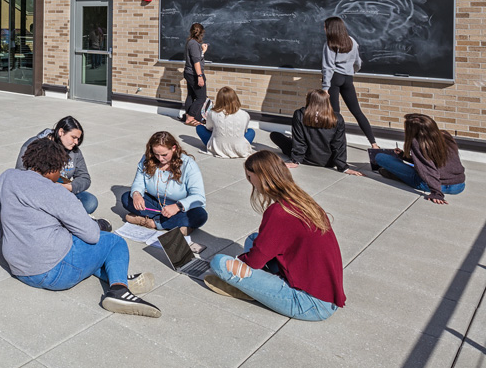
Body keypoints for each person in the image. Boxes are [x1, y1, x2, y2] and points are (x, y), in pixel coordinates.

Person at [0, 139, 161, 317]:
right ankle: (118, 291)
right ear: (54, 168)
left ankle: (115, 275)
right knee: (113, 242)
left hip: (18, 268)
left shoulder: (6, 178)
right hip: (53, 273)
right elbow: (91, 236)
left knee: (89, 250)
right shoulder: (57, 192)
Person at [204, 151, 345, 322]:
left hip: (309, 303)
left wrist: (238, 263)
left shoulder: (279, 212)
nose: (250, 182)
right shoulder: (302, 200)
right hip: (323, 294)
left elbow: (254, 261)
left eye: (250, 177)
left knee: (220, 263)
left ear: (262, 177)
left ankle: (251, 288)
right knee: (253, 239)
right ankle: (257, 286)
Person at [16, 117, 111, 231]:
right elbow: (19, 176)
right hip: (39, 195)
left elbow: (85, 178)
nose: (76, 142)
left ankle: (63, 219)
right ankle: (75, 221)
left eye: (78, 139)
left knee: (90, 201)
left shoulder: (75, 151)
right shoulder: (34, 146)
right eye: (73, 137)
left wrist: (69, 187)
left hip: (64, 193)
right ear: (61, 132)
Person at [121, 132, 208, 244]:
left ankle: (153, 223)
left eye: (164, 155)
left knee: (200, 215)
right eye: (156, 154)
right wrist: (137, 194)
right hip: (157, 204)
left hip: (179, 208)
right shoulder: (147, 159)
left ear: (174, 148)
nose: (160, 159)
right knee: (126, 198)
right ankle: (175, 225)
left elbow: (199, 197)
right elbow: (138, 182)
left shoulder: (188, 165)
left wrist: (177, 206)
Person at [373, 113, 465, 204]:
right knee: (411, 168)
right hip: (459, 186)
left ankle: (393, 175)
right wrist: (404, 156)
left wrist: (437, 193)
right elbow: (433, 163)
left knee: (380, 157)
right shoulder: (445, 135)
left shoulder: (417, 142)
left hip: (431, 185)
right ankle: (392, 174)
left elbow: (427, 169)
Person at [269, 89, 364, 176]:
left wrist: (296, 161)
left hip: (306, 158)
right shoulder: (337, 118)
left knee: (275, 135)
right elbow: (339, 144)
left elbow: (299, 140)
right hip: (329, 162)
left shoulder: (300, 114)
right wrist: (343, 167)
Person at [321, 17, 379, 148]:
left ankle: (338, 145)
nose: (324, 29)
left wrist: (325, 87)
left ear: (331, 28)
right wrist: (352, 71)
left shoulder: (329, 44)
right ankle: (374, 143)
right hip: (348, 78)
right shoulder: (352, 41)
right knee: (357, 112)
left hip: (335, 79)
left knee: (335, 113)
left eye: (325, 27)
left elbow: (328, 67)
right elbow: (358, 62)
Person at [196, 86, 256, 158]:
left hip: (218, 146)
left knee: (199, 128)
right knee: (251, 132)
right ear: (235, 98)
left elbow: (208, 128)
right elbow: (244, 131)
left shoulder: (212, 113)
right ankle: (237, 147)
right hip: (239, 148)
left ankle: (219, 146)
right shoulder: (245, 114)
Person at [183, 23, 209, 126]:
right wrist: (200, 76)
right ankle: (190, 117)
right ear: (201, 33)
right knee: (201, 97)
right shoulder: (193, 44)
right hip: (194, 74)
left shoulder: (190, 42)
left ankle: (188, 116)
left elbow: (196, 57)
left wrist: (202, 51)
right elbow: (196, 61)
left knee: (191, 95)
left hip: (189, 73)